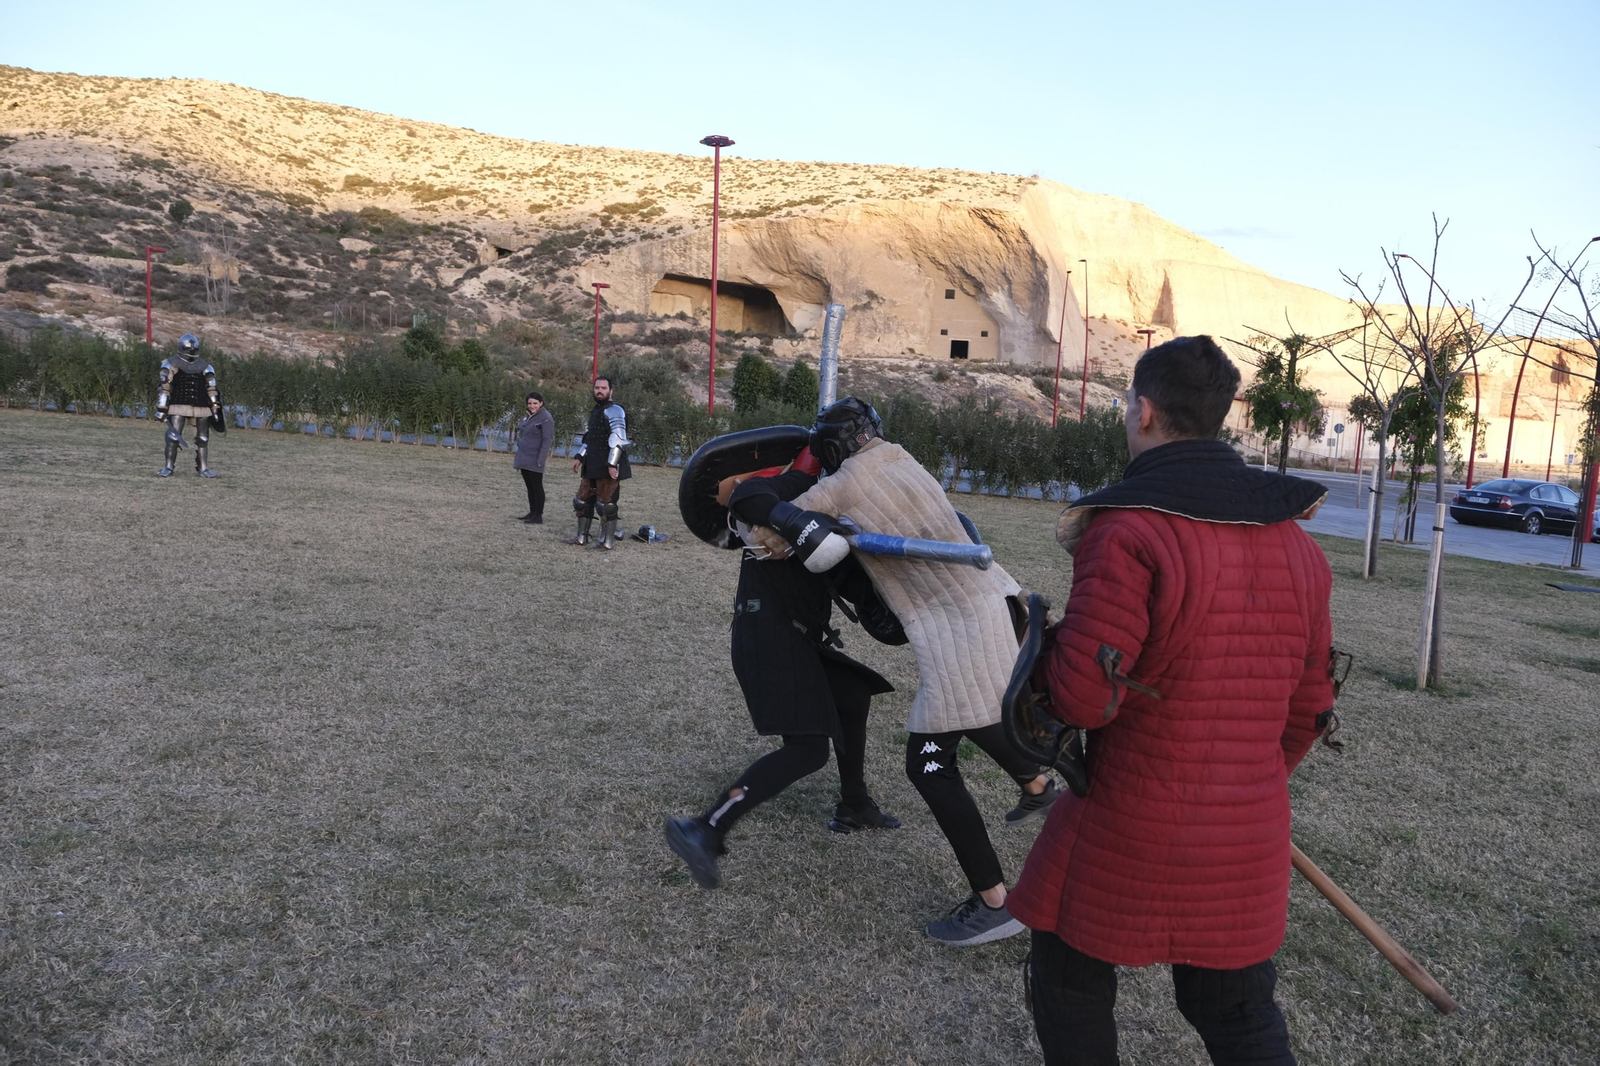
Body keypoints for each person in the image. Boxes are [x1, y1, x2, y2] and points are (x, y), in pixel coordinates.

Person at [1006, 336, 1338, 1066]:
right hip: (1247, 829)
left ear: (1145, 412)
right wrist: (1241, 785)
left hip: (1130, 813)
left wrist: (1044, 651)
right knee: (1237, 1010)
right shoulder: (1301, 550)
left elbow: (1084, 702)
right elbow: (1310, 710)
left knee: (1065, 978)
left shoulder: (1127, 531)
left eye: (1130, 404)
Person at [748, 398, 1059, 947]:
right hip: (995, 603)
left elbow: (767, 539)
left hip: (954, 630)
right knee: (978, 709)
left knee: (929, 765)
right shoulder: (902, 458)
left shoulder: (838, 488)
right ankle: (1037, 785)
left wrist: (762, 499)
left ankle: (995, 902)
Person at [664, 442, 903, 890]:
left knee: (852, 696)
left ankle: (853, 805)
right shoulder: (788, 494)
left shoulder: (842, 507)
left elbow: (849, 582)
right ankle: (705, 828)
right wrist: (802, 483)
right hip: (768, 635)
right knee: (808, 749)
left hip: (801, 634)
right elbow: (745, 497)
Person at [564, 375, 630, 550]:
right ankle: (581, 538)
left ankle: (607, 542)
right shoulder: (595, 410)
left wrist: (611, 464)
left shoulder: (616, 411)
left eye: (603, 388)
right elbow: (590, 438)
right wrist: (579, 457)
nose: (599, 391)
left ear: (611, 391)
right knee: (581, 501)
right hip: (592, 463)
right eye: (597, 388)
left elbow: (618, 440)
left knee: (606, 505)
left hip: (607, 465)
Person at [154, 333, 223, 478]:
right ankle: (168, 467)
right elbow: (165, 387)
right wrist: (162, 407)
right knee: (173, 437)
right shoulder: (170, 364)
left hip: (202, 406)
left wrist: (215, 408)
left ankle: (203, 468)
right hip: (178, 405)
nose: (191, 351)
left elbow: (211, 389)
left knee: (203, 438)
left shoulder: (206, 367)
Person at [512, 391, 555, 524]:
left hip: (535, 457)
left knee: (537, 486)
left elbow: (547, 440)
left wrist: (541, 458)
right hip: (524, 456)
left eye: (535, 403)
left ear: (541, 403)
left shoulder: (546, 418)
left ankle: (538, 515)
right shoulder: (528, 416)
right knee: (529, 486)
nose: (532, 406)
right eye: (530, 403)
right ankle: (532, 512)